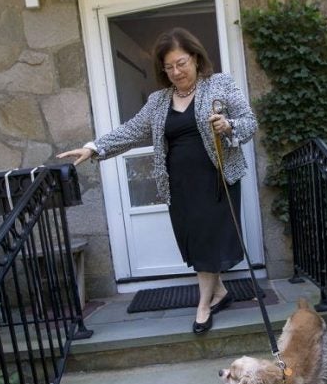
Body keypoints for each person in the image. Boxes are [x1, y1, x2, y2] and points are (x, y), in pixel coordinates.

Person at [57, 27, 258, 334]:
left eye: (181, 63)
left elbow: (249, 122)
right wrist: (93, 147)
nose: (176, 71)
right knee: (195, 242)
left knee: (206, 240)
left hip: (216, 179)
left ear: (194, 57)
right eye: (169, 67)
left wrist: (228, 125)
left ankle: (203, 305)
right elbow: (132, 130)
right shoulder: (158, 100)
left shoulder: (220, 84)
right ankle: (220, 292)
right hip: (179, 184)